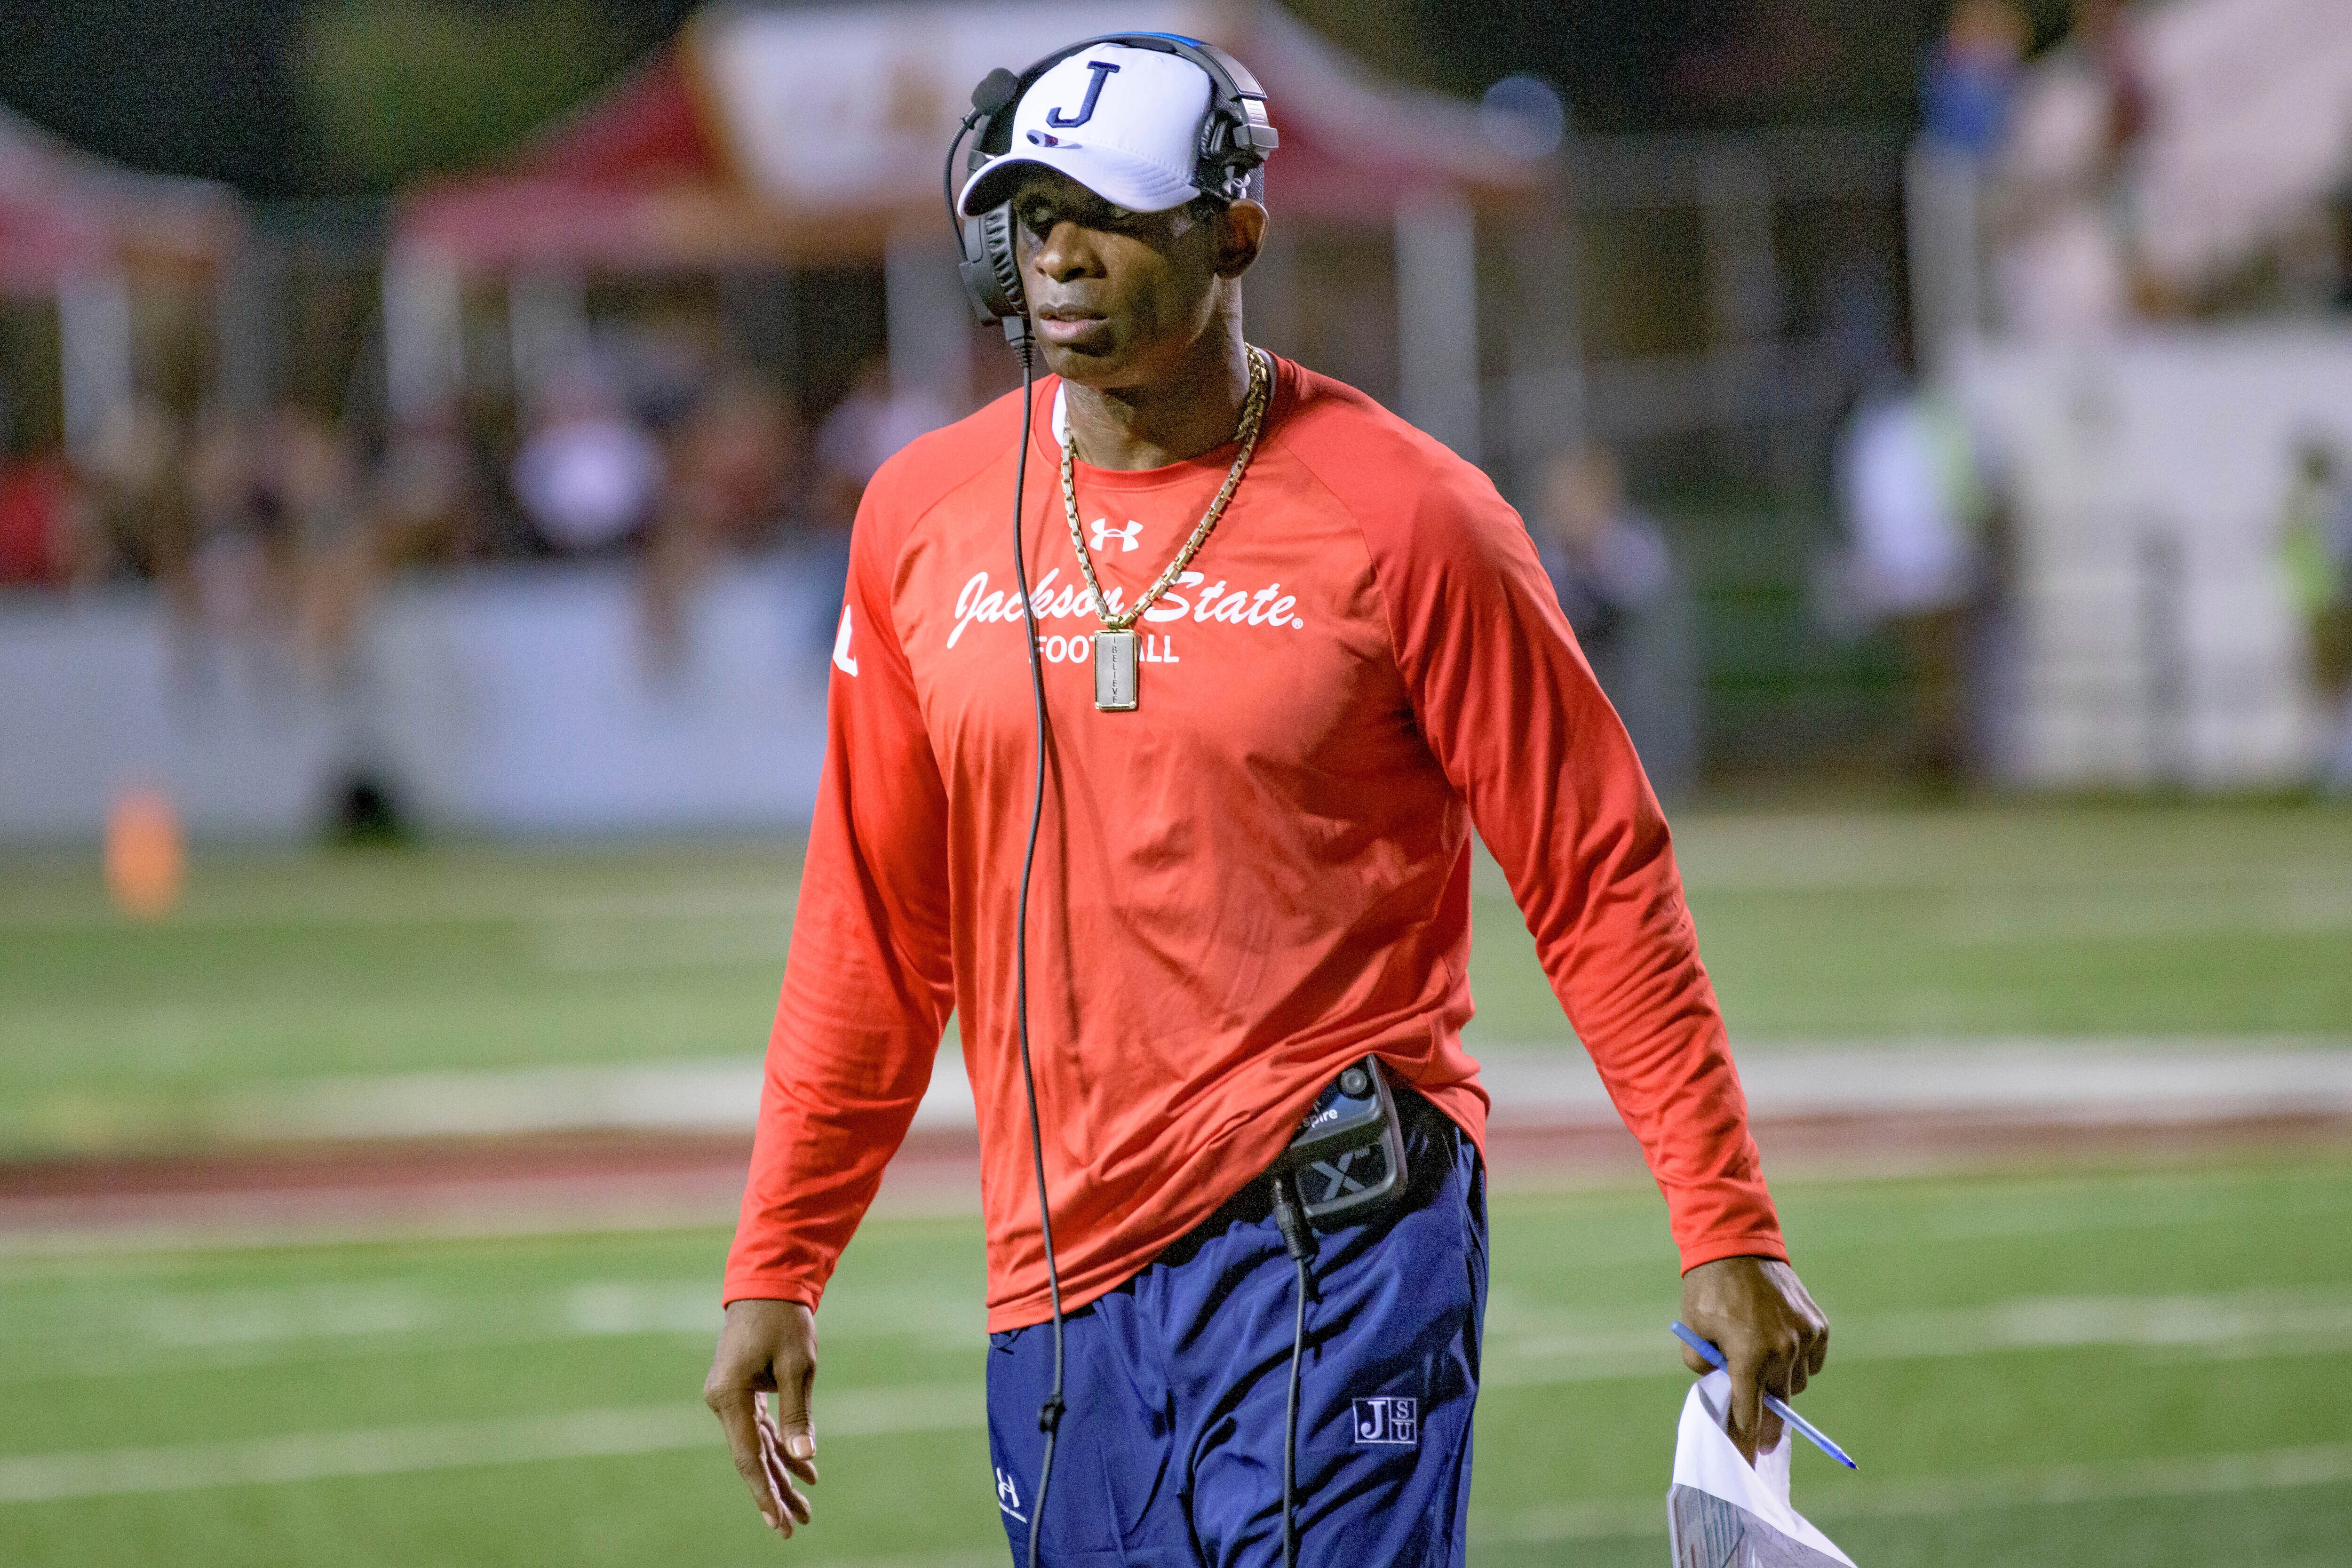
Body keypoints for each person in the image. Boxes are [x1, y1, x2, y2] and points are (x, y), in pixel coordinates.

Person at [704, 38, 1829, 1564]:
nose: (1061, 257)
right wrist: (780, 1255)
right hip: (1055, 1272)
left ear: (1234, 231)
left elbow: (1595, 872)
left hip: (1339, 1218)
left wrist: (1725, 1221)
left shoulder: (1415, 515)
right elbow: (878, 925)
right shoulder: (921, 517)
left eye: (1110, 213)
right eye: (1033, 216)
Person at [1532, 447, 1697, 798]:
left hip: (1631, 663)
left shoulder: (1633, 540)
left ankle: (1651, 786)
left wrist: (1592, 564)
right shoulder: (1541, 549)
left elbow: (1651, 606)